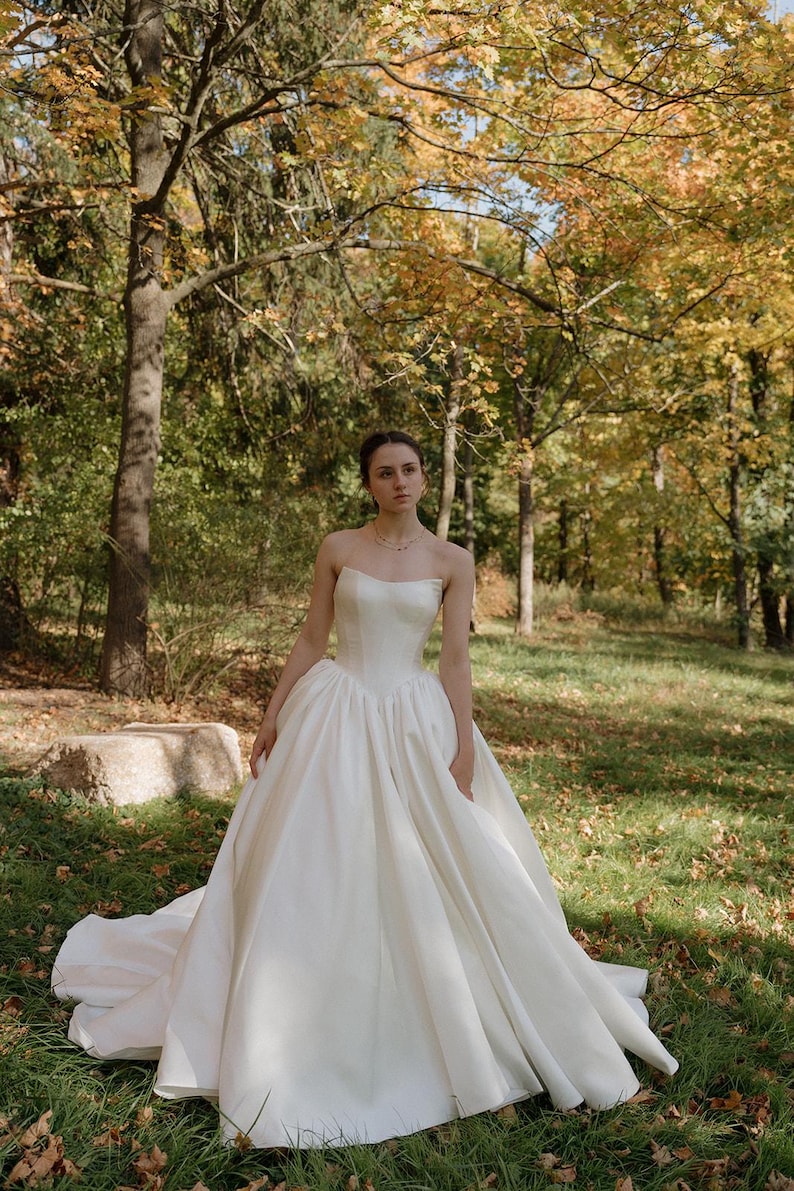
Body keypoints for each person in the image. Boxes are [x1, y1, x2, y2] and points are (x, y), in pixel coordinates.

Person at [52, 429, 678, 1149]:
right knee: (314, 863)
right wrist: (272, 715)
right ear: (369, 483)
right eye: (386, 472)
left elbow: (454, 662)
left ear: (423, 478)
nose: (401, 481)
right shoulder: (339, 547)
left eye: (411, 469)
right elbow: (313, 639)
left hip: (413, 718)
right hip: (335, 712)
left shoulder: (453, 561)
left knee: (442, 863)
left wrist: (464, 748)